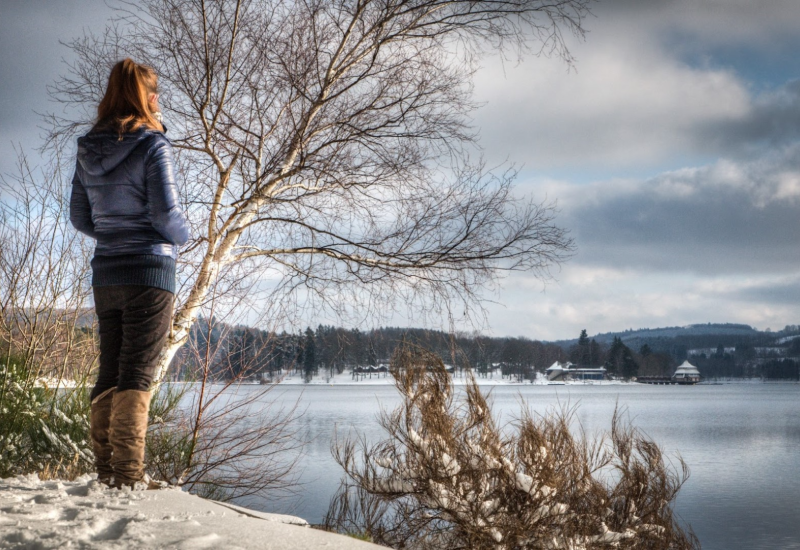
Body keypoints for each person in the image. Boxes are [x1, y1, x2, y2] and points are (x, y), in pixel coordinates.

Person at [69, 58, 189, 489]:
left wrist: (113, 234)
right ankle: (128, 477)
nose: (159, 101)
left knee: (110, 370)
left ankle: (107, 473)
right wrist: (186, 237)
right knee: (137, 372)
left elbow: (79, 217)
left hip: (107, 273)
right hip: (150, 271)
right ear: (147, 97)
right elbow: (166, 213)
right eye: (155, 93)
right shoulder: (154, 145)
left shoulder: (87, 147)